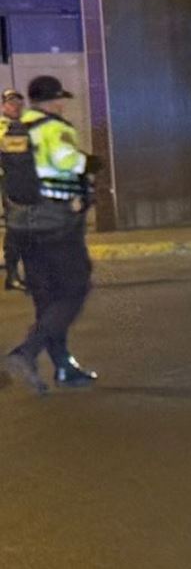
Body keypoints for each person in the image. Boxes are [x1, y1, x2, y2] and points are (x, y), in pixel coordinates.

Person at [1, 76, 98, 393]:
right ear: (54, 100)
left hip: (21, 226)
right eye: (60, 99)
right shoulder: (55, 129)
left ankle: (63, 367)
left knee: (46, 297)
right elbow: (65, 160)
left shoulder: (15, 129)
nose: (62, 104)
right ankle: (26, 352)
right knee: (74, 288)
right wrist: (90, 162)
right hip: (55, 224)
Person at [2, 89, 26, 292]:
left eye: (18, 102)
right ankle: (11, 275)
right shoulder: (3, 127)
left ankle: (16, 275)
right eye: (11, 103)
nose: (16, 106)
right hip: (10, 184)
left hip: (24, 184)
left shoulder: (22, 126)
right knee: (16, 230)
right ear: (3, 106)